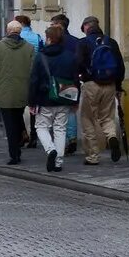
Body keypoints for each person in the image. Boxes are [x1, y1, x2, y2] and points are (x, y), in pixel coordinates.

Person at [29, 16, 85, 173]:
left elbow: (34, 80)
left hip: (44, 98)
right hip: (64, 97)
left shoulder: (40, 56)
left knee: (41, 127)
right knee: (61, 129)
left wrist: (31, 102)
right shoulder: (70, 56)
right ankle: (59, 162)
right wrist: (76, 100)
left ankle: (50, 149)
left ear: (48, 39)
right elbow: (75, 79)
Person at [0, 15, 38, 166]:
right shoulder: (29, 48)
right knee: (17, 119)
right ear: (20, 32)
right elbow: (32, 71)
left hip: (4, 92)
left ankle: (14, 154)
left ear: (8, 31)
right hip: (23, 91)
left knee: (9, 125)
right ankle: (18, 146)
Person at [78, 16, 127, 166]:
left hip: (91, 84)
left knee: (88, 119)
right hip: (110, 84)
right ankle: (112, 137)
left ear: (86, 27)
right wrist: (118, 86)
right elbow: (120, 66)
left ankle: (93, 156)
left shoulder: (83, 43)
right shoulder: (111, 42)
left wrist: (83, 77)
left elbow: (78, 63)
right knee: (107, 117)